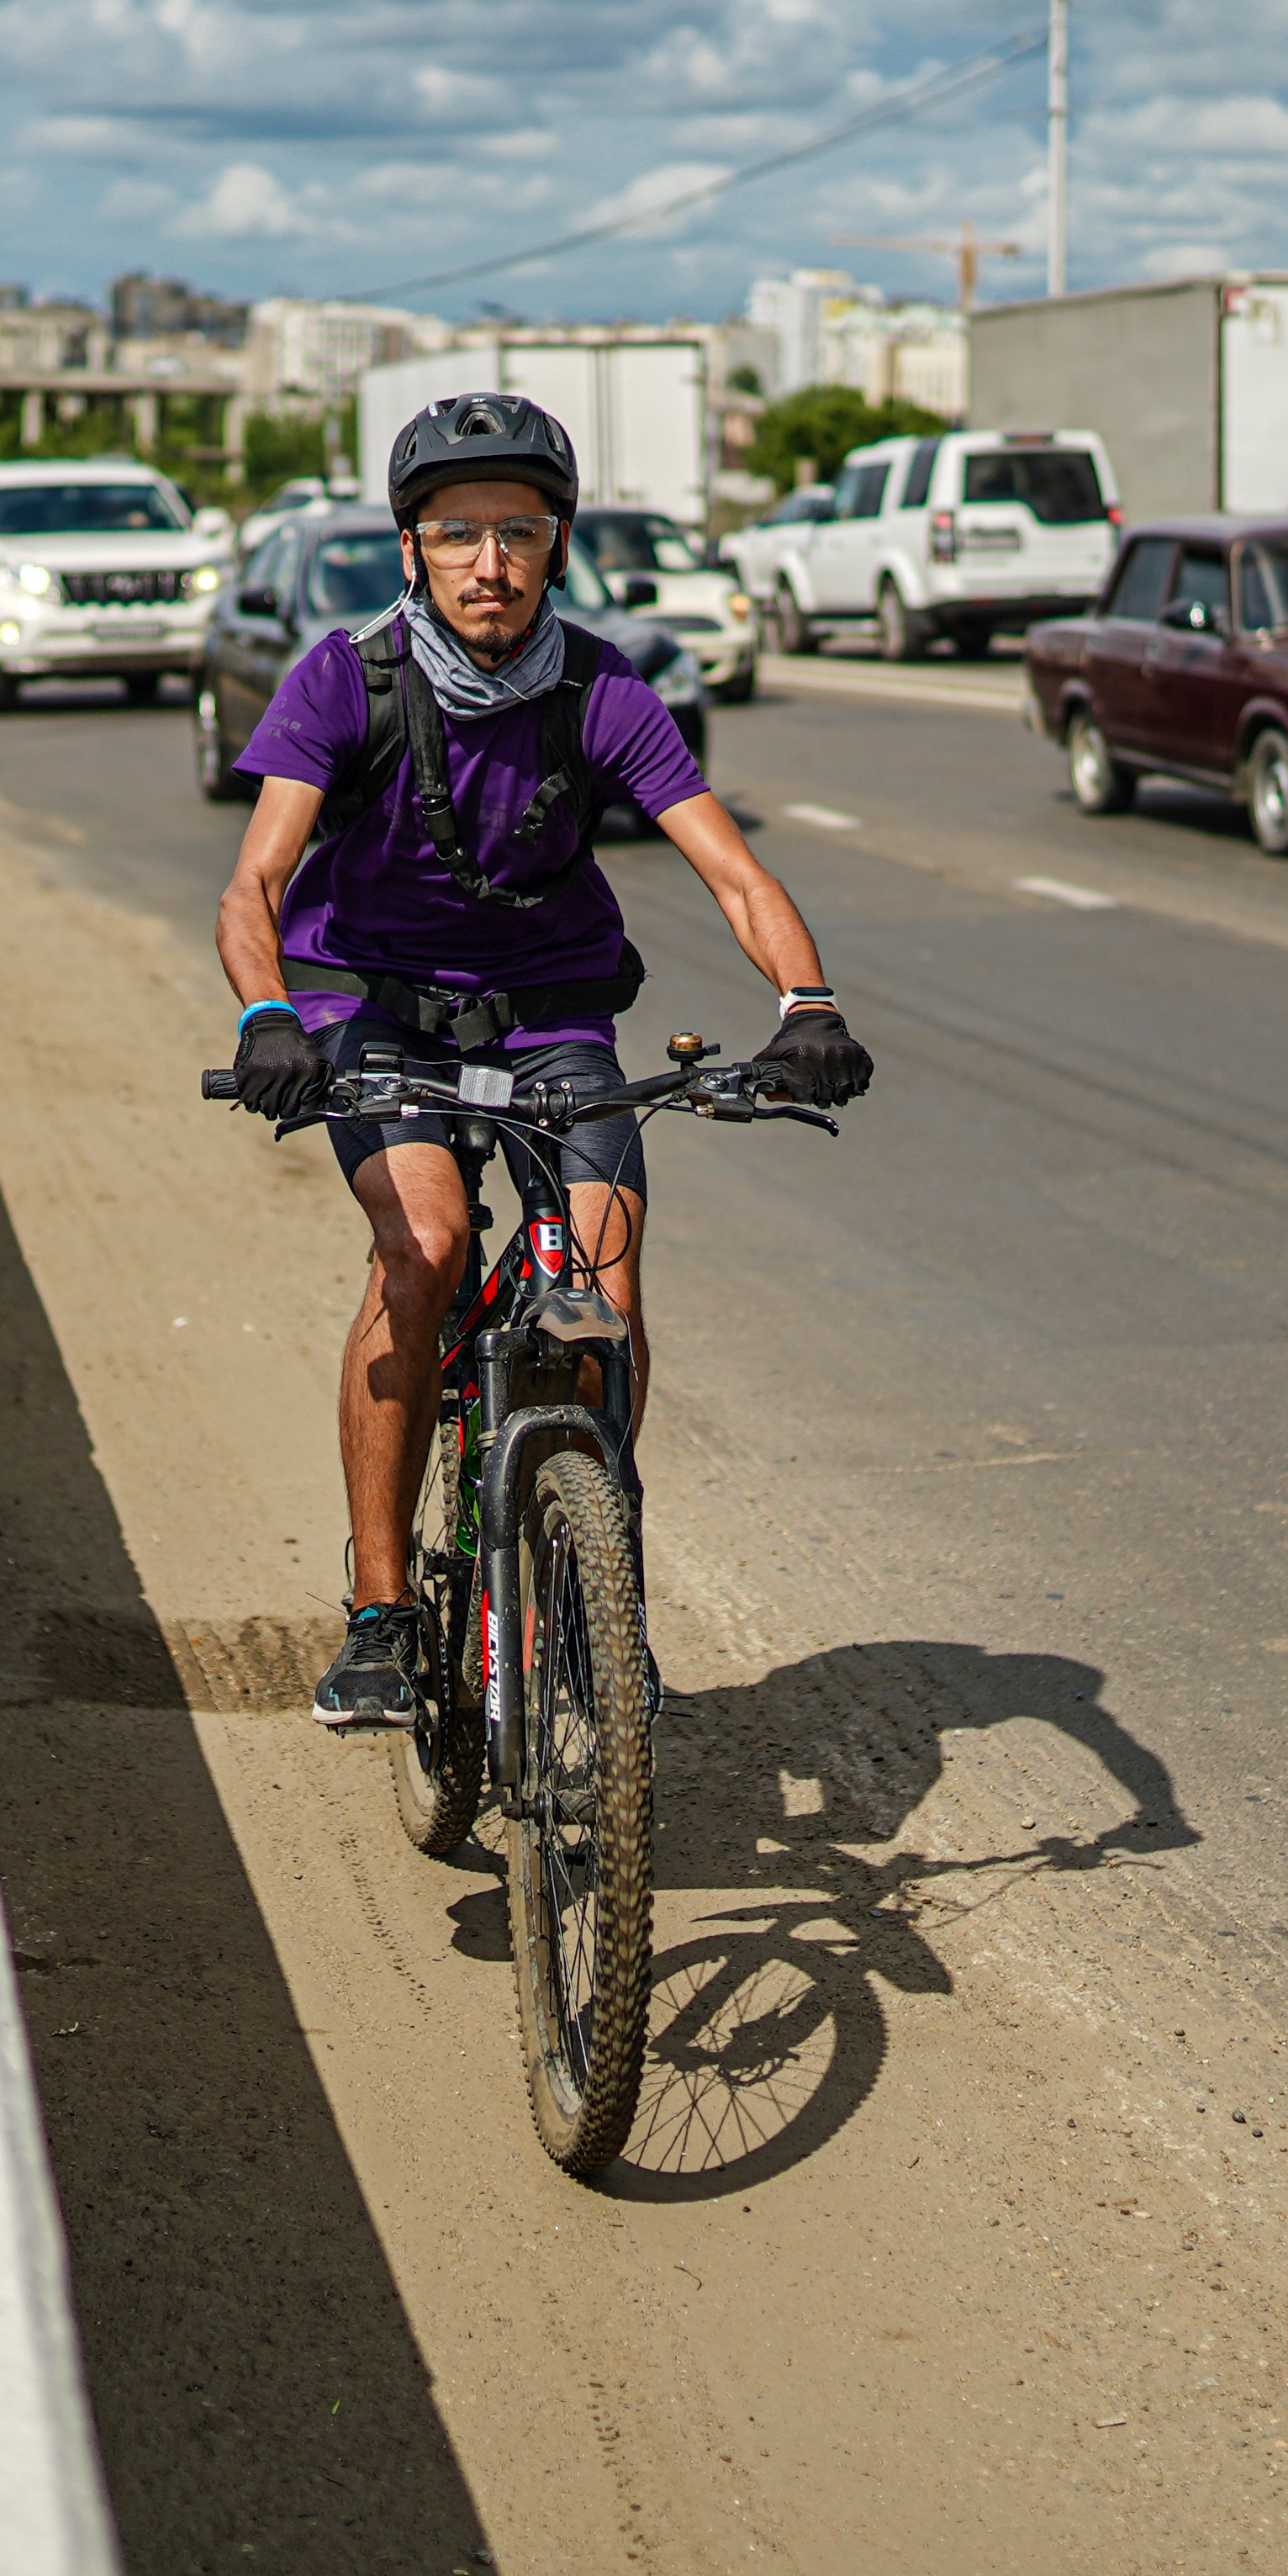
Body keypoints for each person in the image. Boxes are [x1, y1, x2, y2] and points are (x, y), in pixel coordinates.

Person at [214, 392, 871, 1729]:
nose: (488, 562)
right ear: (412, 549)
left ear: (559, 544)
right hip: (375, 1010)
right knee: (430, 1249)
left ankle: (586, 1584)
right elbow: (256, 884)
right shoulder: (343, 676)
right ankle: (385, 1617)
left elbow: (731, 870)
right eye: (457, 532)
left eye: (518, 530)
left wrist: (806, 1000)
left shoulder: (603, 687)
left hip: (552, 1013)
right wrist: (267, 1018)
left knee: (603, 1280)